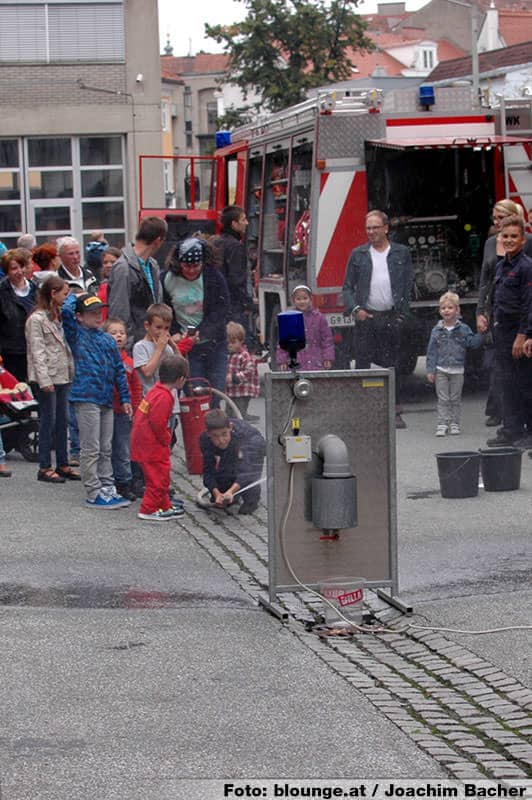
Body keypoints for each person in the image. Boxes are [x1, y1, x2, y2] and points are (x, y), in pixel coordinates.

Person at [342, 210, 413, 429]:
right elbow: (347, 287)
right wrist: (356, 309)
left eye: (375, 227)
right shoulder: (358, 254)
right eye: (368, 228)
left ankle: (394, 411)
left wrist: (403, 313)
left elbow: (408, 284)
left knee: (393, 364)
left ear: (386, 228)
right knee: (363, 364)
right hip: (366, 317)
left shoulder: (401, 253)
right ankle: (365, 412)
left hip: (392, 316)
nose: (371, 232)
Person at [62, 292, 132, 509]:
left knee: (105, 447)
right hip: (85, 397)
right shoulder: (77, 335)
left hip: (106, 400)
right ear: (80, 316)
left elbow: (119, 370)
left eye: (98, 311)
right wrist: (76, 296)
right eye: (91, 312)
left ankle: (107, 486)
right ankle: (93, 490)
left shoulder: (107, 340)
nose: (97, 316)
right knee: (90, 447)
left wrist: (125, 397)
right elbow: (65, 312)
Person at [476, 200, 532, 427]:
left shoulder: (526, 262)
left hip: (519, 323)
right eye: (495, 219)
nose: (496, 223)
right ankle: (509, 427)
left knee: (522, 380)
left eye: (501, 218)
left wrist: (524, 333)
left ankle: (525, 431)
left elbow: (528, 300)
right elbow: (485, 281)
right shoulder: (495, 253)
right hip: (500, 320)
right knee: (504, 375)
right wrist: (482, 311)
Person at [162, 237, 230, 407]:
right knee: (196, 392)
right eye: (186, 266)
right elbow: (164, 308)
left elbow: (221, 310)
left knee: (216, 392)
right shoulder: (167, 279)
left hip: (214, 343)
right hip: (187, 347)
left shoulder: (213, 278)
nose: (191, 271)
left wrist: (204, 331)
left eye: (196, 266)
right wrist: (174, 331)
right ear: (179, 263)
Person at [25, 275, 79, 483]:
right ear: (52, 294)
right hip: (47, 377)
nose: (66, 298)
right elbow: (37, 352)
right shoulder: (36, 320)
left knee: (62, 420)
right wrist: (43, 379)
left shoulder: (58, 316)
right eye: (64, 294)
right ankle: (45, 466)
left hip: (63, 374)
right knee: (48, 420)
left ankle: (62, 463)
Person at [130, 354, 188, 522]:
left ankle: (163, 504)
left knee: (159, 475)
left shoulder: (155, 390)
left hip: (144, 443)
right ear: (180, 379)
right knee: (158, 478)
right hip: (152, 445)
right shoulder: (165, 396)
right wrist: (166, 438)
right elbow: (158, 422)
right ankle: (148, 509)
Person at [426, 292, 484, 436]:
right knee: (443, 398)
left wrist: (482, 334)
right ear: (440, 311)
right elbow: (432, 351)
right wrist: (430, 370)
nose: (446, 310)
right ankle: (442, 423)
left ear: (457, 310)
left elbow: (472, 343)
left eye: (450, 307)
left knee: (455, 398)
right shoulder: (436, 330)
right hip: (441, 369)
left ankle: (454, 423)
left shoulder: (463, 329)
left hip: (457, 370)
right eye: (443, 308)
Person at [108, 217, 167, 349]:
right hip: (132, 345)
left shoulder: (153, 265)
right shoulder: (123, 268)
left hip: (151, 342)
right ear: (158, 240)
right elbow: (119, 310)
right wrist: (126, 346)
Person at [104, 317, 143, 501]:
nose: (118, 336)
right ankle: (107, 481)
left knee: (123, 448)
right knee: (106, 447)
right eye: (113, 333)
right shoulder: (103, 358)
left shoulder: (129, 362)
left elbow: (135, 387)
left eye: (121, 333)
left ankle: (124, 481)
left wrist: (135, 408)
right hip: (106, 409)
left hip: (123, 412)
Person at [199, 408, 266, 515]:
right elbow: (208, 472)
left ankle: (252, 500)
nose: (221, 440)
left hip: (253, 449)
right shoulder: (205, 440)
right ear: (208, 434)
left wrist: (230, 492)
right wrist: (217, 494)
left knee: (249, 481)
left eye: (224, 434)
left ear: (230, 427)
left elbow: (246, 472)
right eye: (215, 436)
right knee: (224, 478)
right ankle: (231, 495)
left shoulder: (246, 438)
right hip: (229, 451)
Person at [276, 284, 334, 371]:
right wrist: (283, 361)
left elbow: (327, 340)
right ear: (293, 300)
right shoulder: (289, 319)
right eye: (298, 299)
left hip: (316, 362)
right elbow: (283, 343)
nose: (302, 302)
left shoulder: (319, 317)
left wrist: (327, 358)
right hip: (296, 362)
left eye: (305, 298)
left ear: (310, 299)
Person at [0, 249, 38, 381]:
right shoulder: (2, 292)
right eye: (14, 268)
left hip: (35, 351)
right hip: (12, 354)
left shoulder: (35, 289)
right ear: (7, 271)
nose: (20, 271)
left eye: (22, 266)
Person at [216, 205, 255, 328]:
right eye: (243, 220)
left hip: (217, 303)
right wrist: (247, 303)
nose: (247, 223)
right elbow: (237, 280)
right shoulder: (235, 247)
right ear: (234, 224)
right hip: (233, 305)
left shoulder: (216, 242)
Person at [225, 321, 260, 422]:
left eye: (233, 342)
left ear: (241, 341)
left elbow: (250, 370)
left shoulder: (244, 355)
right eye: (228, 343)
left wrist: (235, 377)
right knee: (228, 412)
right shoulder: (227, 355)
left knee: (238, 413)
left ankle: (241, 423)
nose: (230, 345)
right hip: (231, 391)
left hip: (243, 390)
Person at [97, 246, 122, 320]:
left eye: (113, 262)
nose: (108, 265)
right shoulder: (99, 285)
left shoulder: (122, 284)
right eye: (105, 262)